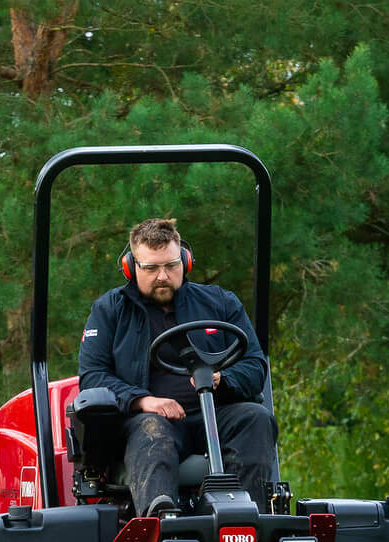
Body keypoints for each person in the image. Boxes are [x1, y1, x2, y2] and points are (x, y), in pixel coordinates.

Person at [76, 217, 276, 515]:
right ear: (131, 268)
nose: (162, 276)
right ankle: (161, 523)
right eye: (151, 268)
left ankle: (245, 522)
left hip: (215, 413)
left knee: (256, 418)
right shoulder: (109, 311)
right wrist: (144, 401)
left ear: (185, 261)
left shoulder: (220, 303)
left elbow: (255, 365)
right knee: (151, 430)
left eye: (171, 266)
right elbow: (93, 377)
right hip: (150, 421)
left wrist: (225, 379)